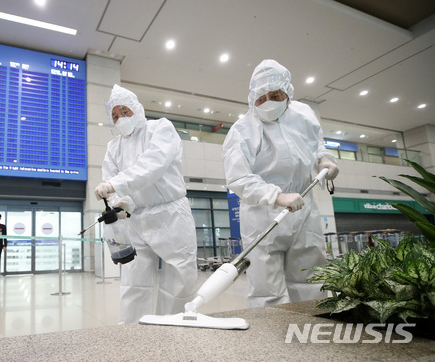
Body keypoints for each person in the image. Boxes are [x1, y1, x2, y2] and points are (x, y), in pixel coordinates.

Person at [221, 59, 339, 308]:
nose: (268, 103)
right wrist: (276, 196)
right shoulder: (242, 130)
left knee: (311, 278)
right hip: (263, 215)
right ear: (251, 99)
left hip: (304, 208)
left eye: (275, 95)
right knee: (267, 288)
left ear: (288, 93)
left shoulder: (303, 114)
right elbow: (238, 177)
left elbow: (316, 143)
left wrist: (324, 159)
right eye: (261, 98)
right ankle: (269, 343)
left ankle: (311, 331)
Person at [94, 84, 198, 324]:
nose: (121, 118)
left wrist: (114, 184)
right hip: (137, 220)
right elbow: (113, 183)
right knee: (133, 283)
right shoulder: (113, 147)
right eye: (115, 116)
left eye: (125, 111)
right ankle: (132, 338)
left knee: (179, 281)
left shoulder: (160, 128)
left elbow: (152, 165)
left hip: (171, 215)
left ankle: (173, 334)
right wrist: (119, 203)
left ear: (137, 110)